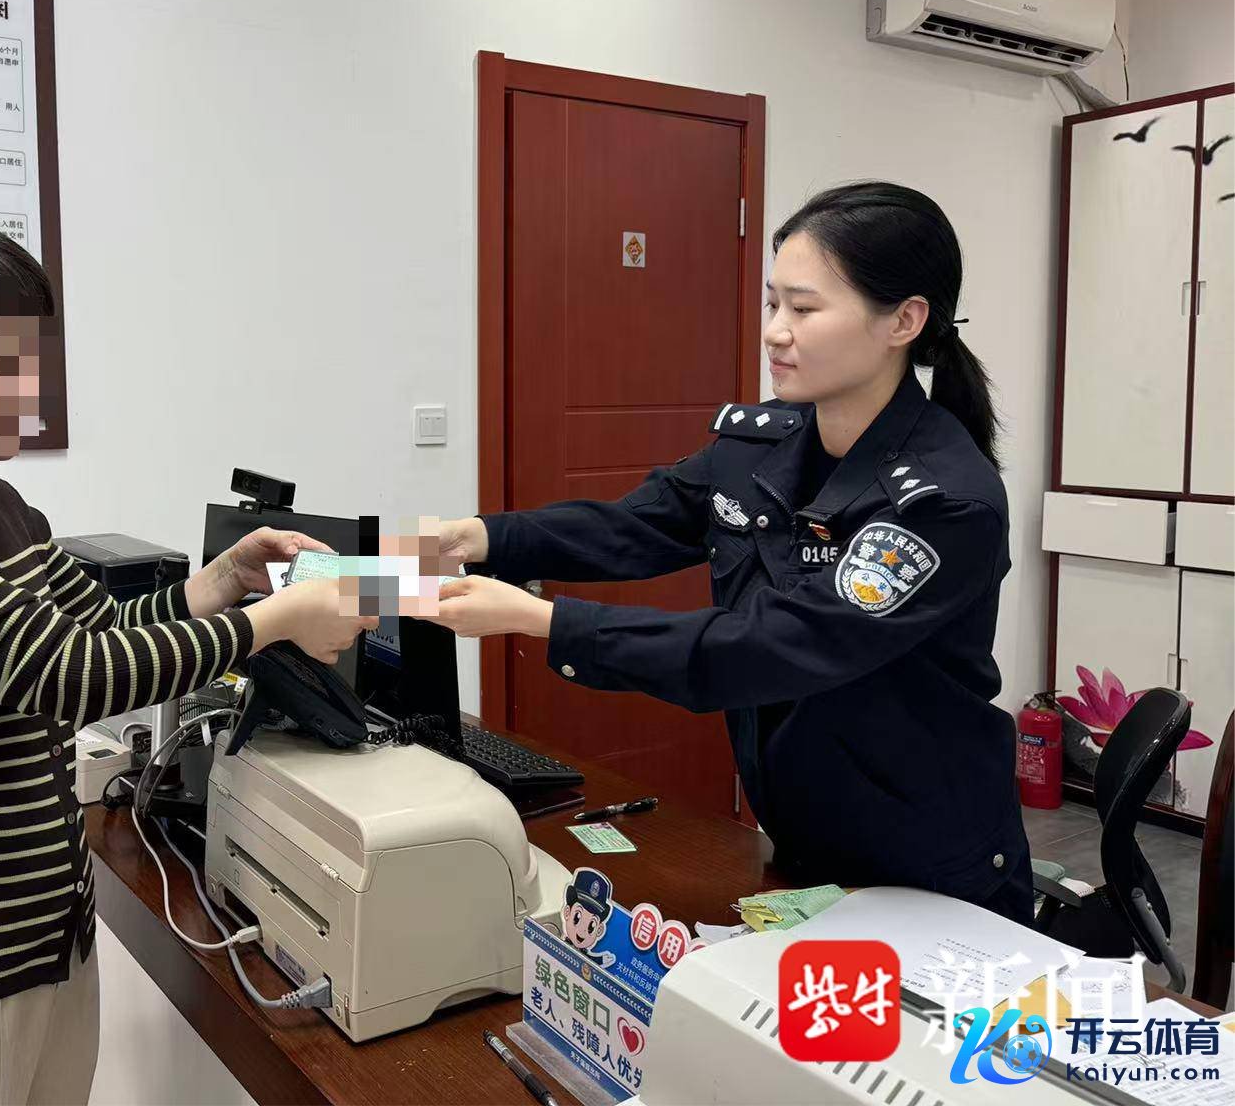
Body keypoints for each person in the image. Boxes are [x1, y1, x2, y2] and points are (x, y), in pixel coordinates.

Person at [0, 214, 373, 1105]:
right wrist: (276, 621)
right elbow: (70, 675)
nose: (29, 388)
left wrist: (222, 582)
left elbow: (102, 626)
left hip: (50, 950)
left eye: (31, 358)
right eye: (1, 361)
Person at [430, 182, 1034, 923]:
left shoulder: (942, 503)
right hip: (807, 835)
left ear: (903, 320)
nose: (776, 332)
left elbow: (774, 645)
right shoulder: (763, 444)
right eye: (773, 304)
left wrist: (542, 620)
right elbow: (633, 526)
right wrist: (482, 538)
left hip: (929, 863)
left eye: (804, 309)